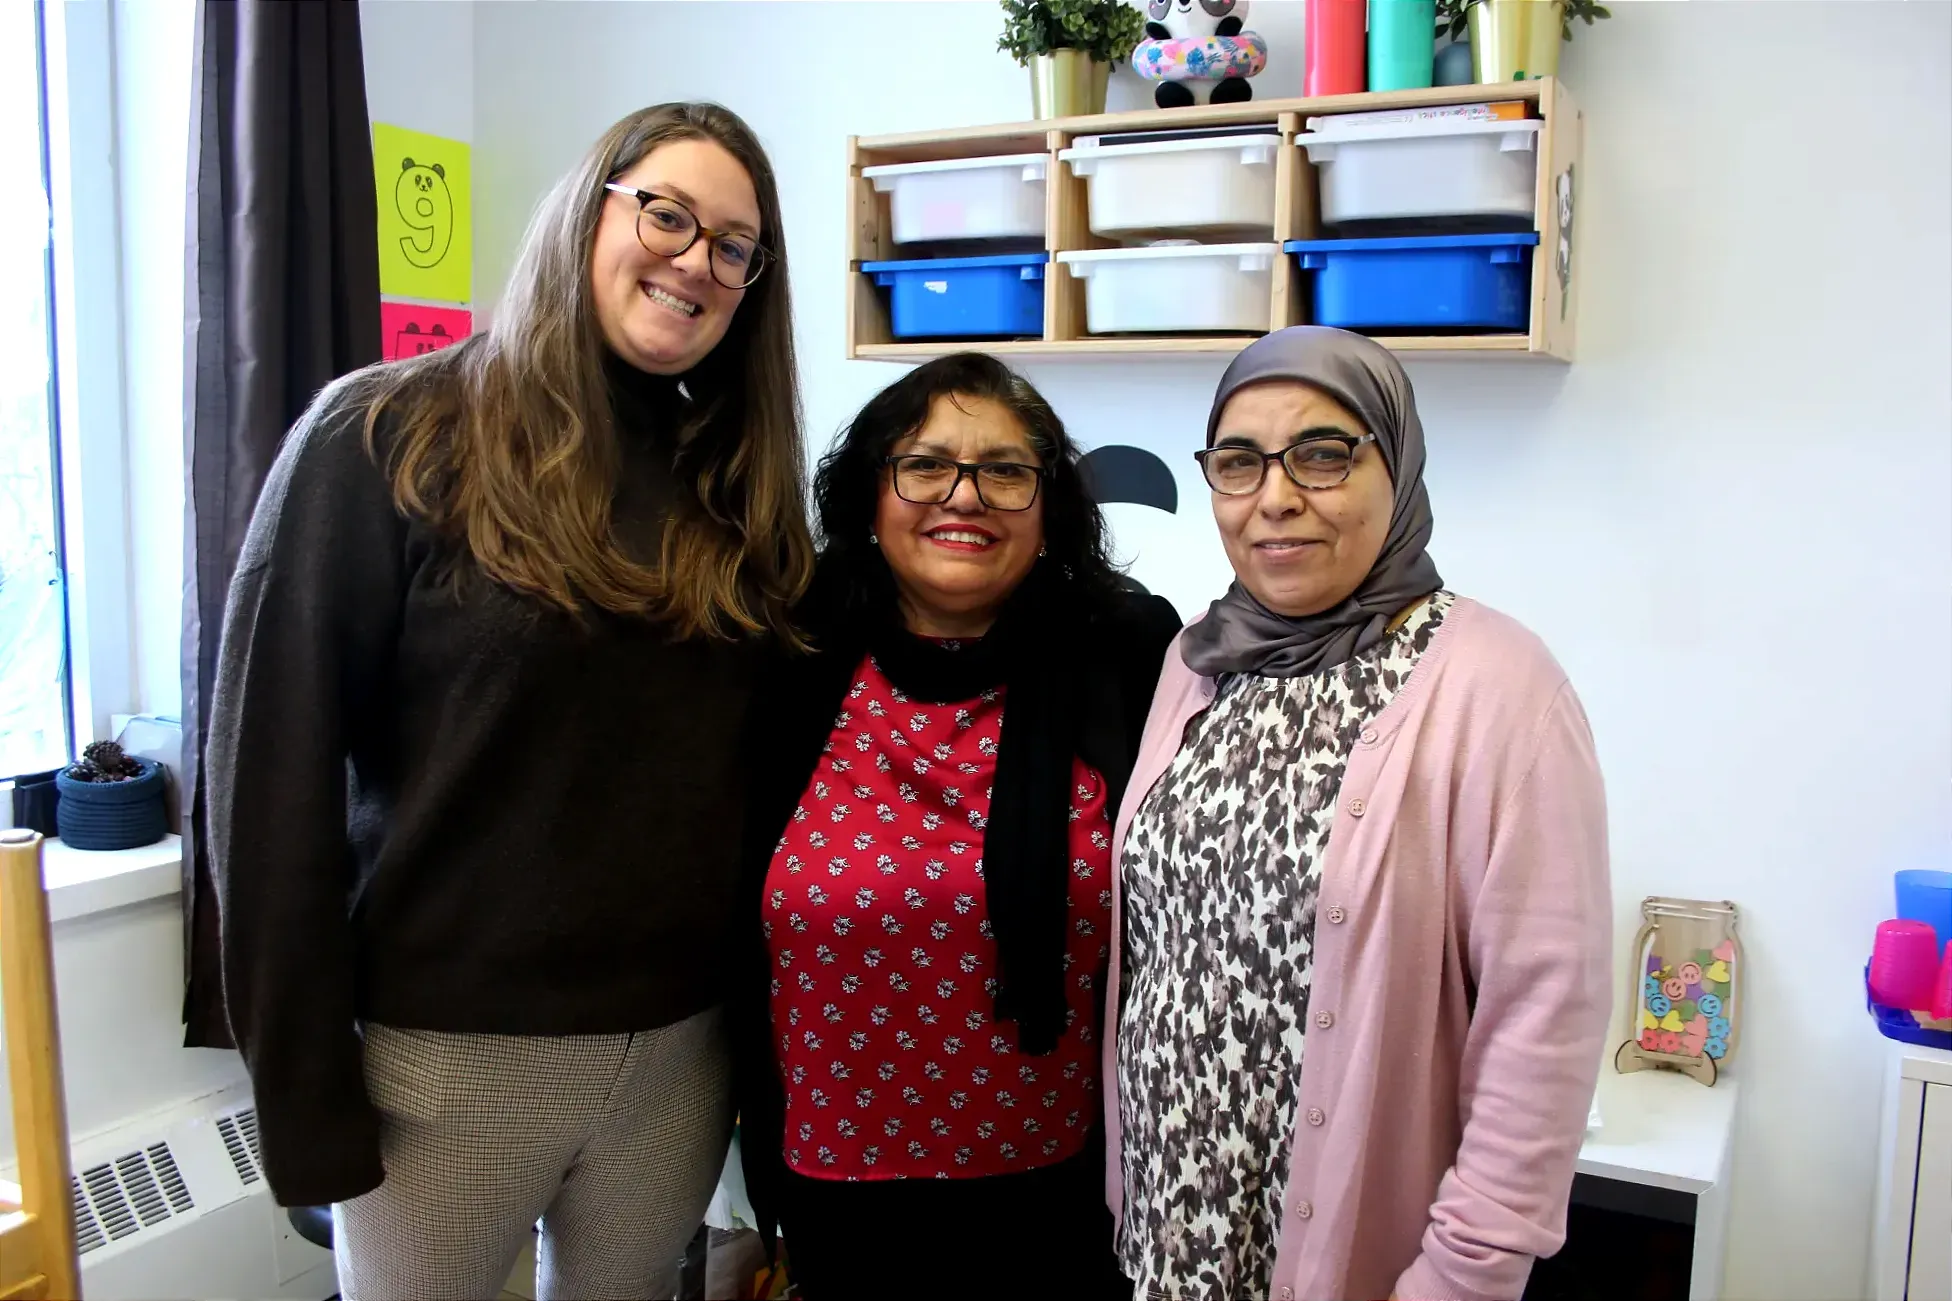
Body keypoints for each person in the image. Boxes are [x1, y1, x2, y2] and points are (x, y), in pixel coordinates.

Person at [205, 102, 812, 1300]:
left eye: (733, 246)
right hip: (442, 1066)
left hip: (677, 1058)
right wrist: (307, 1092)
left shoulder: (729, 491)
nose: (695, 259)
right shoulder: (386, 433)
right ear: (590, 209)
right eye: (667, 214)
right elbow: (265, 783)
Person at [1106, 327, 1611, 1301]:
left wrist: (1463, 1271)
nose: (1276, 495)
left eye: (1322, 452)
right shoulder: (1197, 663)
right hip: (1170, 1234)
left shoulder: (1499, 685)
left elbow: (1542, 1020)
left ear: (1396, 457)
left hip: (1358, 1260)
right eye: (1237, 461)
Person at [729, 354, 1181, 1300]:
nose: (963, 497)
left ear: (1049, 502)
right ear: (870, 492)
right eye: (925, 464)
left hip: (1063, 1190)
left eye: (1006, 470)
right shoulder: (784, 654)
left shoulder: (1127, 653)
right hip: (834, 1187)